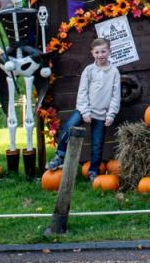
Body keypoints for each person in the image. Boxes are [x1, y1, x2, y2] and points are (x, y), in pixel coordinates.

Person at [46, 37, 121, 179]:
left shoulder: (114, 72)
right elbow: (82, 92)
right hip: (84, 109)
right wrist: (85, 111)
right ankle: (59, 155)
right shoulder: (89, 70)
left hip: (102, 114)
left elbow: (115, 96)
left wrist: (111, 114)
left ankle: (93, 171)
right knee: (68, 127)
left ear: (109, 52)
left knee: (97, 143)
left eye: (103, 51)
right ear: (92, 53)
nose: (100, 55)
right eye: (97, 52)